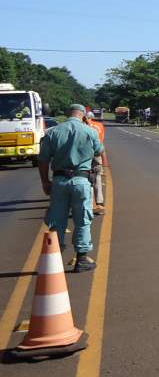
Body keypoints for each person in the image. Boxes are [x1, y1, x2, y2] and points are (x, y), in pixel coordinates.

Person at [37, 104, 105, 273]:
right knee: (83, 220)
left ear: (67, 115)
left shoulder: (52, 132)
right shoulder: (90, 131)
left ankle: (55, 258)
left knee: (56, 220)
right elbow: (99, 151)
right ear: (83, 115)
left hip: (59, 181)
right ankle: (81, 259)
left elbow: (43, 160)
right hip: (81, 181)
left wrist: (45, 182)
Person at [83, 111, 107, 215]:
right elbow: (102, 141)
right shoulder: (100, 125)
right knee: (97, 177)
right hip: (97, 153)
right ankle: (100, 202)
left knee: (85, 178)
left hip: (84, 156)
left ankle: (89, 204)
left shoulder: (82, 127)